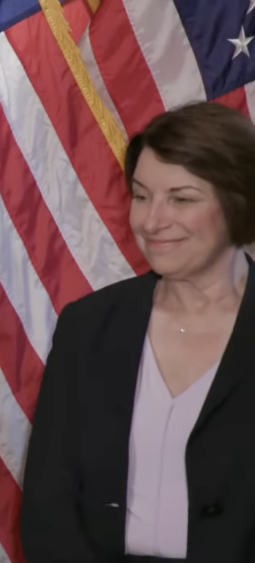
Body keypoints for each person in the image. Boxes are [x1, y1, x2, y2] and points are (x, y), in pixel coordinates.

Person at [20, 101, 255, 562]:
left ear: (240, 202)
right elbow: (48, 506)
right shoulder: (88, 326)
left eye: (182, 199)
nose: (151, 222)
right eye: (142, 195)